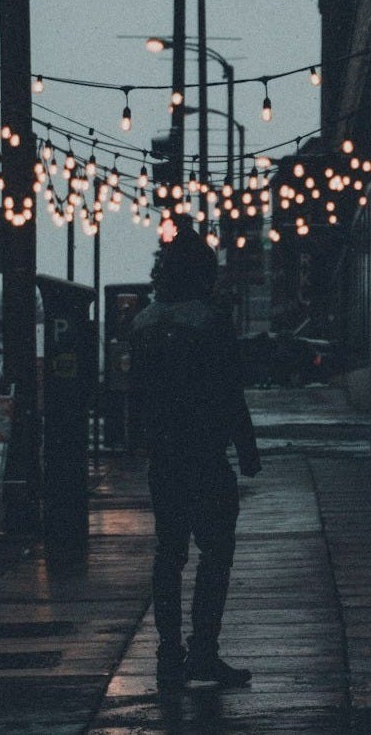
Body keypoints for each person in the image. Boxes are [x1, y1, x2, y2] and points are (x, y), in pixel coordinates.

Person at [130, 225, 261, 692]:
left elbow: (135, 395)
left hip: (163, 457)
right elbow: (230, 393)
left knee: (169, 553)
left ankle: (169, 654)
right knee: (216, 551)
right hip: (205, 454)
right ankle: (204, 650)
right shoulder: (210, 323)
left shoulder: (143, 323)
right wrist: (246, 450)